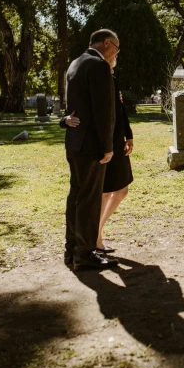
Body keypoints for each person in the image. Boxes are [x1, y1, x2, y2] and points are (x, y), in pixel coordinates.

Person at [61, 29, 120, 270]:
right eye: (115, 49)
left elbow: (73, 105)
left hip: (74, 141)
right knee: (89, 200)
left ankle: (71, 250)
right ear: (106, 43)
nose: (115, 54)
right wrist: (107, 146)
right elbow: (103, 111)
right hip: (91, 146)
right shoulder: (98, 66)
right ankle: (84, 255)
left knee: (76, 197)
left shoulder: (75, 64)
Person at [63, 55, 134, 253]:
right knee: (101, 193)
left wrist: (128, 135)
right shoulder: (93, 79)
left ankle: (96, 232)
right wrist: (65, 119)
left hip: (117, 142)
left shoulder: (113, 80)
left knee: (121, 191)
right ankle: (95, 238)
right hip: (102, 145)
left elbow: (119, 110)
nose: (114, 59)